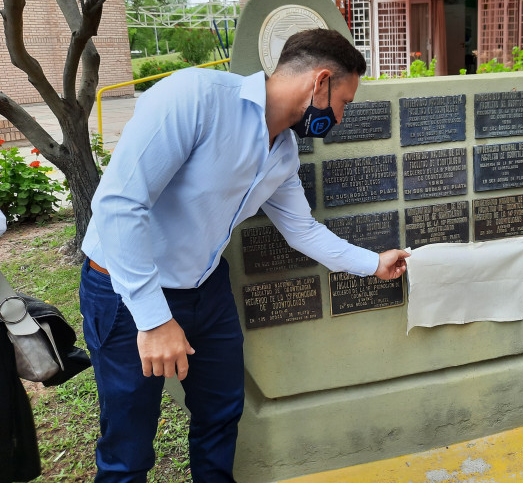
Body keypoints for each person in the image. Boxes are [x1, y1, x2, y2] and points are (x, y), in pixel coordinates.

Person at [80, 29, 410, 482]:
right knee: (129, 445)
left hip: (206, 289)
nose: (342, 115)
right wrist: (154, 320)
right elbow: (119, 204)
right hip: (127, 292)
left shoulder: (284, 152)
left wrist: (374, 263)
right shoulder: (194, 97)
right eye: (345, 103)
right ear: (320, 83)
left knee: (220, 417)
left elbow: (302, 230)